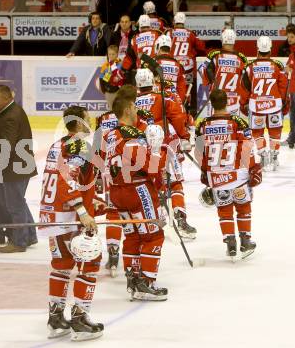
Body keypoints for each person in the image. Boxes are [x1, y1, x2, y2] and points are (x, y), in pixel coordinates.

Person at [39, 105, 104, 341]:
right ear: (78, 123)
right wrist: (82, 210)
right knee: (91, 261)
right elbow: (69, 180)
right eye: (87, 119)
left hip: (53, 214)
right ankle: (79, 319)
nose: (91, 122)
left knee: (62, 263)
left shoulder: (59, 144)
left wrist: (91, 199)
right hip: (70, 216)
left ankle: (56, 319)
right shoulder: (79, 146)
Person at [106, 85, 168, 301]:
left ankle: (133, 279)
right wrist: (157, 147)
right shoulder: (131, 134)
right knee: (153, 235)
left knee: (132, 235)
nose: (136, 109)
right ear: (127, 109)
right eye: (133, 106)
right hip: (137, 190)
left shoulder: (110, 135)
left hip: (116, 192)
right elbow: (150, 168)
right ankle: (146, 283)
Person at [195, 89, 262, 259]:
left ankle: (230, 243)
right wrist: (255, 168)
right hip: (238, 175)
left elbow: (200, 152)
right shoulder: (238, 122)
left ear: (211, 103)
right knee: (243, 207)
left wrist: (205, 171)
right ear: (227, 102)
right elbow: (248, 147)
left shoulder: (203, 125)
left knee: (224, 211)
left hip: (217, 176)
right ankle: (245, 242)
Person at [134, 68, 197, 239]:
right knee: (175, 183)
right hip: (165, 145)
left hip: (142, 149)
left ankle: (155, 221)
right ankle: (181, 219)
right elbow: (177, 117)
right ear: (152, 82)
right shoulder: (162, 98)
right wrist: (184, 136)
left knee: (150, 184)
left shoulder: (131, 103)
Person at [0, 85, 38, 252]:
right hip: (18, 165)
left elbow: (7, 145)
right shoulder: (9, 111)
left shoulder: (11, 116)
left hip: (15, 168)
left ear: (6, 98)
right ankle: (29, 236)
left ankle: (19, 242)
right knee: (18, 201)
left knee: (15, 204)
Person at [241, 36, 288, 170]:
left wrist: (243, 103)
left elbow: (244, 87)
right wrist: (285, 102)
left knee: (257, 132)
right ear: (271, 49)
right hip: (274, 105)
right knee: (275, 131)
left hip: (256, 106)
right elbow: (283, 86)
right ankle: (274, 157)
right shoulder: (277, 66)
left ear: (257, 48)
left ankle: (262, 156)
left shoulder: (250, 67)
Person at [201, 29, 248, 115]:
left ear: (222, 39)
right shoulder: (242, 58)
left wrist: (211, 82)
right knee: (232, 126)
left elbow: (203, 69)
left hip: (216, 99)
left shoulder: (214, 54)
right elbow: (245, 81)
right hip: (234, 100)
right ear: (234, 40)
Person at [166, 11, 205, 85]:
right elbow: (201, 47)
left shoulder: (169, 33)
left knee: (172, 87)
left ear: (174, 21)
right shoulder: (190, 33)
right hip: (187, 67)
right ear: (184, 21)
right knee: (187, 88)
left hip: (173, 65)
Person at [155, 34, 188, 103]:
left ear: (158, 47)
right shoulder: (178, 65)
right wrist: (180, 103)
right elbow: (181, 88)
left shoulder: (152, 63)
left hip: (156, 101)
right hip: (173, 102)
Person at [282, 26, 295, 149]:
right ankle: (291, 139)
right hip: (294, 89)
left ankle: (292, 139)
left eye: (292, 37)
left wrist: (290, 69)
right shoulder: (293, 52)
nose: (289, 39)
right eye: (288, 37)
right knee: (294, 115)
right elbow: (287, 67)